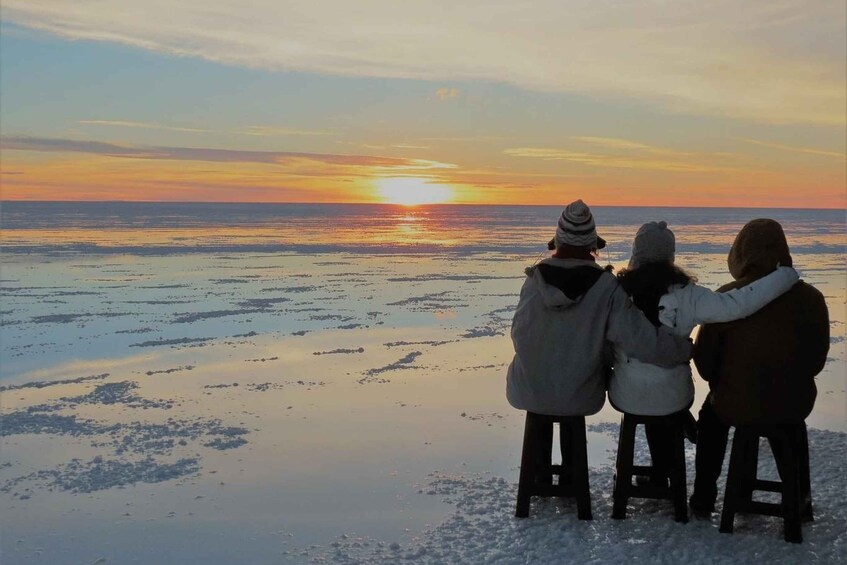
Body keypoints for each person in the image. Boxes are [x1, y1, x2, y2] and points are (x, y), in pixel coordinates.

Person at [608, 221, 799, 484]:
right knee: (664, 396)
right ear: (670, 256)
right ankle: (665, 468)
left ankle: (658, 473)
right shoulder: (689, 295)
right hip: (674, 396)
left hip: (626, 394)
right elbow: (737, 305)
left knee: (645, 385)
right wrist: (785, 276)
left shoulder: (616, 293)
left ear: (636, 252)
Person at [689, 218, 830, 515]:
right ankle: (800, 499)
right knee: (790, 427)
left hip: (735, 403)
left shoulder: (728, 297)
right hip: (792, 403)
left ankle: (703, 497)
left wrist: (727, 382)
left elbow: (704, 362)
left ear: (740, 252)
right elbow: (816, 360)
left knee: (711, 417)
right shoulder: (812, 299)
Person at [506, 201, 693, 418]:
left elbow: (519, 334)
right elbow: (638, 339)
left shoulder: (534, 280)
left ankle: (533, 451)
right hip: (581, 396)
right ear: (593, 246)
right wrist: (684, 350)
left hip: (526, 392)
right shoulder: (605, 286)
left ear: (556, 242)